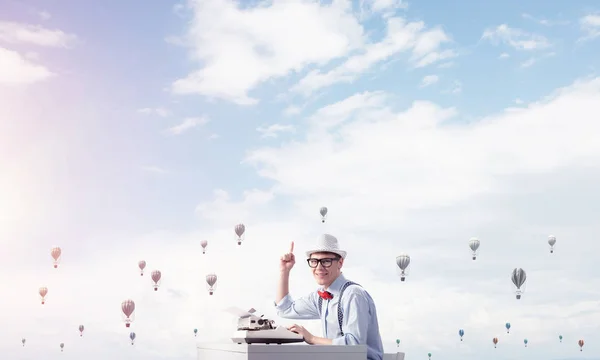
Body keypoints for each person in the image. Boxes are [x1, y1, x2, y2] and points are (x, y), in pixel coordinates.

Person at [274, 233, 384, 360]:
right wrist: (284, 271)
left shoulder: (353, 295)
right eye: (314, 261)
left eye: (326, 261)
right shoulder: (319, 297)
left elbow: (354, 346)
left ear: (340, 263)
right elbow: (284, 309)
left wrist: (312, 339)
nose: (319, 268)